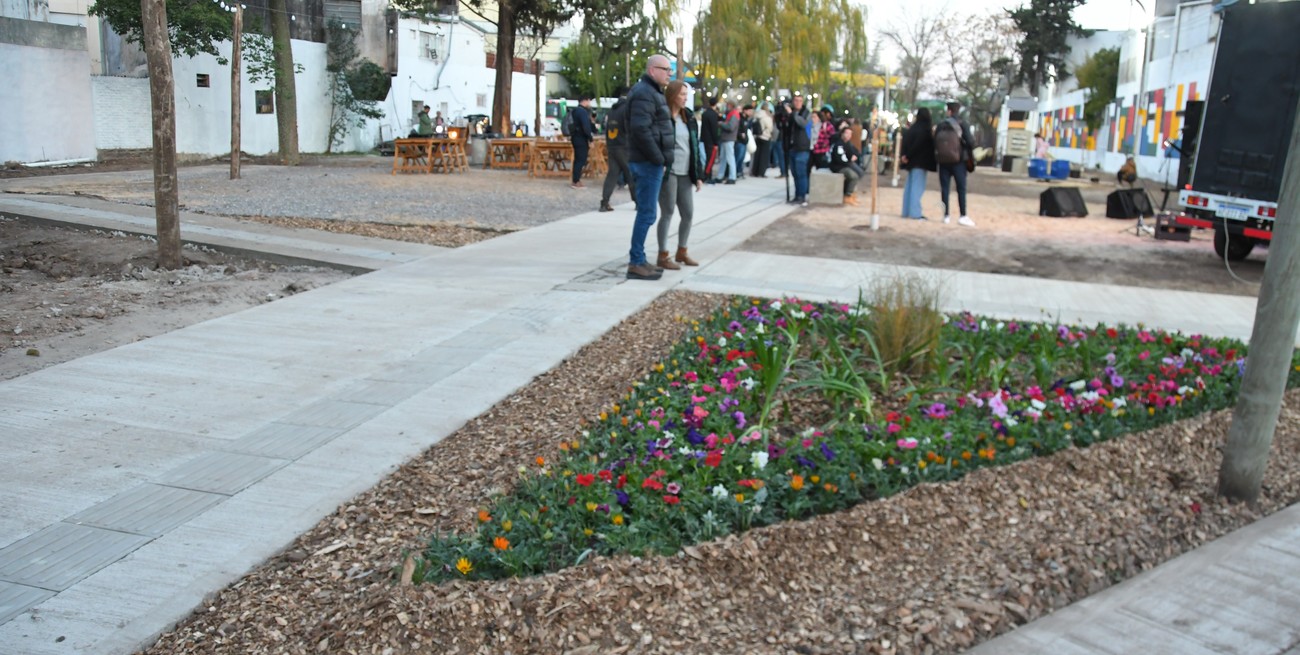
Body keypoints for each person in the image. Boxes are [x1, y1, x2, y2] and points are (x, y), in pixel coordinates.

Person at [624, 54, 675, 281]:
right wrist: (658, 158)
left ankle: (640, 259)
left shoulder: (650, 92)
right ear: (653, 70)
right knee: (647, 213)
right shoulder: (645, 92)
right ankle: (636, 261)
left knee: (647, 213)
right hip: (646, 162)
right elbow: (641, 130)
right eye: (666, 69)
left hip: (648, 161)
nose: (669, 74)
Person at [656, 80, 705, 270]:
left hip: (686, 172)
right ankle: (662, 254)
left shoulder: (689, 118)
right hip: (669, 171)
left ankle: (682, 251)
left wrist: (698, 174)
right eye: (682, 94)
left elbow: (694, 146)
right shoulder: (664, 117)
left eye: (687, 95)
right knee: (667, 213)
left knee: (688, 213)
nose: (685, 98)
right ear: (672, 95)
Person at [936, 101, 976, 227]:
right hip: (959, 161)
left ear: (948, 111)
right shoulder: (963, 124)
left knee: (945, 189)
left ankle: (946, 215)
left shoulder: (941, 125)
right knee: (961, 189)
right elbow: (970, 142)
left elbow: (935, 141)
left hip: (943, 161)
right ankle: (962, 215)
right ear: (958, 111)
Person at [599, 91, 636, 212]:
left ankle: (604, 202)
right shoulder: (627, 109)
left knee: (612, 174)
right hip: (624, 145)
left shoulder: (612, 110)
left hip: (612, 144)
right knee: (631, 173)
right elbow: (629, 127)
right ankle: (638, 201)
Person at [899, 107, 936, 220]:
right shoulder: (925, 130)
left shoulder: (912, 129)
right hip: (921, 161)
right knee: (917, 187)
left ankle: (906, 211)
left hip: (910, 162)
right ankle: (915, 213)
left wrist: (905, 156)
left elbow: (906, 142)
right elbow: (919, 145)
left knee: (909, 187)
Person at [828, 124, 864, 206]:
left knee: (860, 173)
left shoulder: (848, 144)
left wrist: (853, 157)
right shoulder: (838, 144)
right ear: (842, 134)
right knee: (853, 176)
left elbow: (856, 152)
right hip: (838, 166)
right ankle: (847, 196)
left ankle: (851, 194)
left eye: (850, 134)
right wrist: (850, 160)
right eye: (846, 133)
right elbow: (840, 159)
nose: (848, 135)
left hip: (846, 164)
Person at [787, 94, 812, 205]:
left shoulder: (806, 113)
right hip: (792, 146)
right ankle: (797, 195)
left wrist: (792, 114)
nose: (797, 103)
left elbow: (803, 123)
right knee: (795, 173)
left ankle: (802, 195)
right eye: (795, 100)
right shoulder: (791, 113)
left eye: (800, 101)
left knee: (801, 173)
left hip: (802, 147)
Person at [568, 96, 594, 189]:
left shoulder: (575, 111)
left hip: (575, 137)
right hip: (581, 139)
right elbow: (586, 127)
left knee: (577, 160)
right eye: (589, 101)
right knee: (581, 160)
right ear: (585, 101)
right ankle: (576, 181)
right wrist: (590, 139)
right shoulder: (582, 112)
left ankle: (575, 179)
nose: (590, 103)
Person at [714, 100, 738, 184]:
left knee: (729, 158)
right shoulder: (730, 114)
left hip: (729, 139)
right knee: (723, 158)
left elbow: (730, 127)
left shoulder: (734, 114)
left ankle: (732, 176)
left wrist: (721, 124)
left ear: (731, 105)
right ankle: (720, 175)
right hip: (726, 138)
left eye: (727, 105)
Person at [700, 96, 721, 181]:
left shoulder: (705, 113)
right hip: (711, 140)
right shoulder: (713, 115)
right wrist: (716, 142)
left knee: (708, 157)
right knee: (711, 158)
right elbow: (714, 129)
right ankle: (708, 175)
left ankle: (707, 174)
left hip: (705, 138)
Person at [752, 103, 774, 178]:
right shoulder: (767, 117)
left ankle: (755, 171)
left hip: (757, 136)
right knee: (764, 156)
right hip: (765, 136)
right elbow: (770, 128)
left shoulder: (756, 115)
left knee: (757, 155)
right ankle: (761, 172)